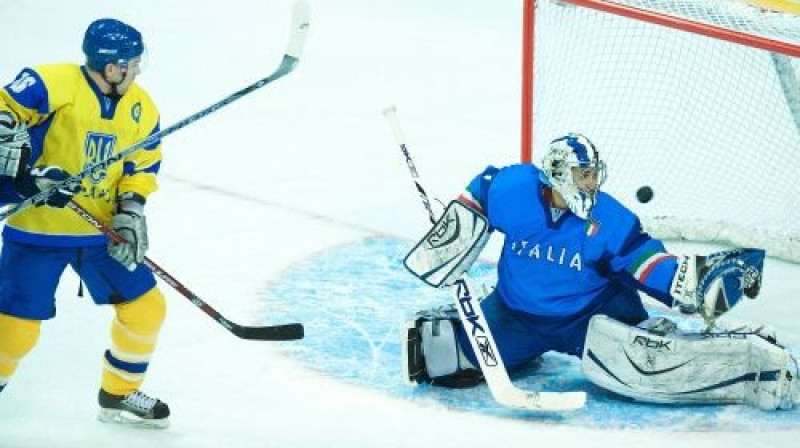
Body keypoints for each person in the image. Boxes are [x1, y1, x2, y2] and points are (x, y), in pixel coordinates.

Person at [403, 132, 799, 410]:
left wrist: (692, 284)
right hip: (516, 312)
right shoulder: (515, 191)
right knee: (442, 358)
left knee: (647, 368)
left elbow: (644, 260)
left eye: (594, 172)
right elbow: (484, 189)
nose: (592, 182)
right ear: (558, 173)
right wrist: (460, 225)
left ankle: (746, 358)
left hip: (591, 316)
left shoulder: (608, 218)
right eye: (583, 173)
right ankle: (523, 349)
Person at [0, 18, 170, 427]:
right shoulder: (49, 82)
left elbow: (142, 164)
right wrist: (32, 178)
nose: (138, 69)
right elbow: (3, 119)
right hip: (38, 231)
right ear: (113, 68)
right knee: (15, 329)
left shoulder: (141, 106)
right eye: (133, 62)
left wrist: (130, 211)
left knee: (146, 309)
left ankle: (119, 393)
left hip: (100, 233)